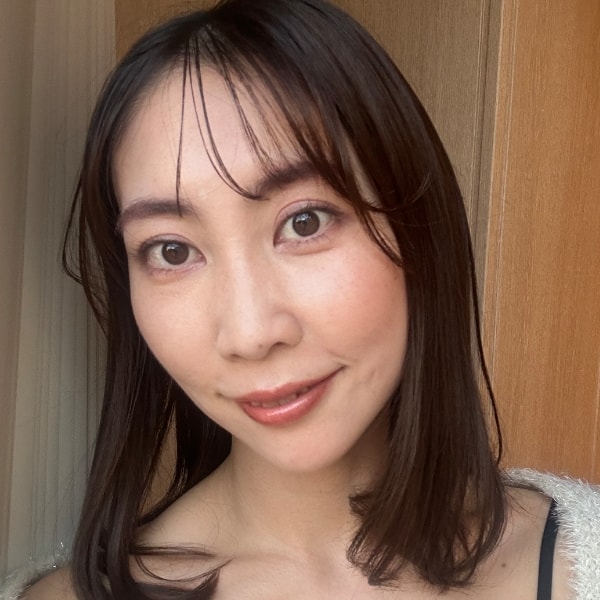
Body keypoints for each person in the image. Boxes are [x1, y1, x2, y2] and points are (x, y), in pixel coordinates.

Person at [6, 0, 599, 598]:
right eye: (172, 251)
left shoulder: (582, 559)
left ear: (417, 228)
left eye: (305, 222)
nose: (250, 333)